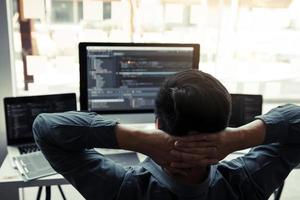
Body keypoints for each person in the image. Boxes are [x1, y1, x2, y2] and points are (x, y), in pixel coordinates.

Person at [33, 69, 300, 200]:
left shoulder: (123, 190)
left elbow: (45, 128)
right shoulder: (247, 183)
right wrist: (238, 138)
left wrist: (139, 139)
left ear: (158, 124)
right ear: (224, 126)